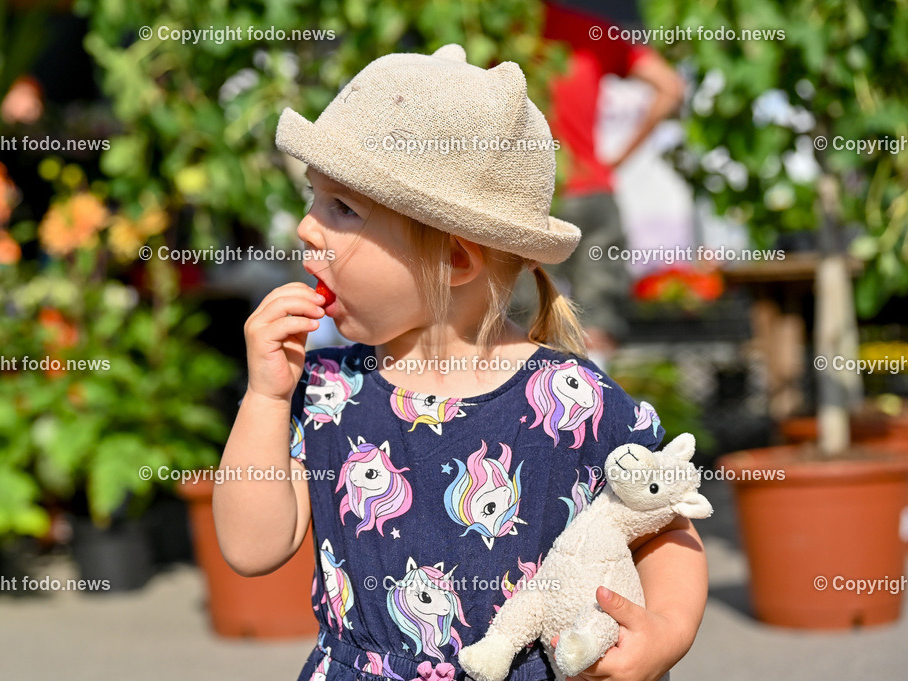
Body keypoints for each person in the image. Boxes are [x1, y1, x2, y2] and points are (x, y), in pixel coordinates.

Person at [213, 45, 707, 681]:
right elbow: (252, 549)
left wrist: (666, 630)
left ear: (454, 259)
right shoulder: (328, 392)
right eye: (315, 198)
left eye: (343, 209)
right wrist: (265, 398)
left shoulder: (572, 400)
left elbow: (664, 521)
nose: (307, 228)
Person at [532, 2, 686, 362]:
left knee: (527, 324)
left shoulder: (498, 35)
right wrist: (617, 159)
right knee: (597, 325)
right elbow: (671, 88)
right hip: (591, 190)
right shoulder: (591, 30)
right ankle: (596, 410)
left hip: (530, 194)